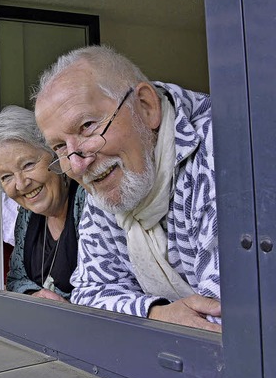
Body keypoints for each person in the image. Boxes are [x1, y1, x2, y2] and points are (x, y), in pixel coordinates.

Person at [34, 45, 221, 332]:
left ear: (146, 107)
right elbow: (88, 294)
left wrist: (136, 312)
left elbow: (228, 322)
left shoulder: (222, 152)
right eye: (59, 146)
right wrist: (157, 313)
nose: (78, 164)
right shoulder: (105, 182)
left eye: (86, 126)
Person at [0, 105, 85, 301]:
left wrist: (66, 304)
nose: (21, 184)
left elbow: (109, 284)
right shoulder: (27, 216)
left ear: (55, 154)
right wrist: (33, 294)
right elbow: (16, 279)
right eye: (6, 176)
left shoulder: (86, 199)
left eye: (28, 165)